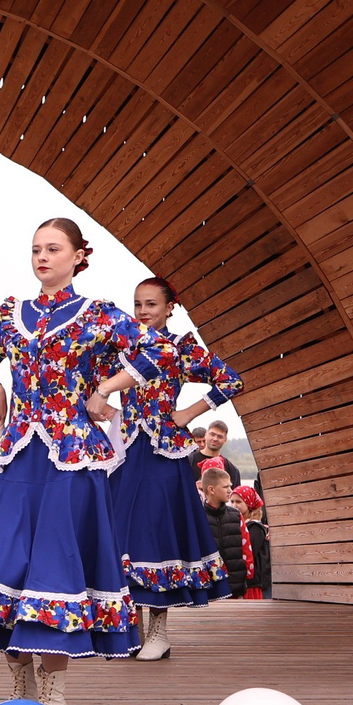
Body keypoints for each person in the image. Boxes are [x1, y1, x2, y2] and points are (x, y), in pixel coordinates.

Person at [0, 217, 163, 705]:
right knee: (3, 563)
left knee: (57, 568)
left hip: (73, 461)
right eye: (36, 248)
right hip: (17, 457)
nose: (42, 257)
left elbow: (156, 352)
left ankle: (54, 688)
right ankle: (21, 681)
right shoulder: (11, 313)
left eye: (54, 249)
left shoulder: (99, 315)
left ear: (80, 256)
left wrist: (105, 390)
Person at [109, 275, 243, 661]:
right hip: (126, 451)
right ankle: (129, 627)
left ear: (170, 308)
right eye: (138, 304)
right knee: (124, 537)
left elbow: (231, 380)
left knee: (157, 536)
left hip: (163, 454)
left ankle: (159, 630)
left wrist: (188, 411)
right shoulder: (123, 345)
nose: (142, 312)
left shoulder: (181, 349)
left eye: (151, 304)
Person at [200, 469, 252, 594]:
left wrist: (248, 575)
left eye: (230, 486)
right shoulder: (197, 517)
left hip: (236, 585)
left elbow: (246, 547)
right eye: (225, 487)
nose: (230, 490)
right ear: (211, 490)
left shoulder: (236, 516)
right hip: (208, 587)